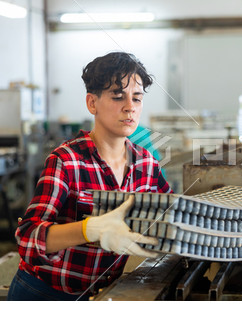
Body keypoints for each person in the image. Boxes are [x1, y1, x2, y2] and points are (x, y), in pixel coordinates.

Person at [7, 52, 171, 301]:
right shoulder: (67, 160)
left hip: (102, 293)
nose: (130, 107)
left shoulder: (146, 165)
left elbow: (171, 217)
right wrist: (88, 229)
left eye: (136, 99)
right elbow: (28, 238)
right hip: (45, 293)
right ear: (92, 103)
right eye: (118, 96)